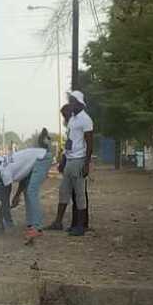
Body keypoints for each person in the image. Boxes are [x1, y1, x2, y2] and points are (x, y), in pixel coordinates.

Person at [47, 91, 94, 236]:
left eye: (72, 101)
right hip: (70, 160)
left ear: (79, 103)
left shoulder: (86, 120)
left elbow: (90, 143)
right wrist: (63, 160)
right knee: (63, 192)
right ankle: (58, 222)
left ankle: (81, 226)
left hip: (79, 160)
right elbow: (69, 142)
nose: (70, 104)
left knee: (79, 194)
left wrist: (86, 164)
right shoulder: (73, 119)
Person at [7, 129, 54, 243]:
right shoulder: (10, 164)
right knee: (27, 190)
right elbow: (24, 179)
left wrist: (15, 196)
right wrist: (17, 195)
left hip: (42, 159)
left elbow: (20, 179)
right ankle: (31, 224)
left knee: (31, 190)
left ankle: (37, 227)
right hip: (37, 158)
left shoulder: (7, 168)